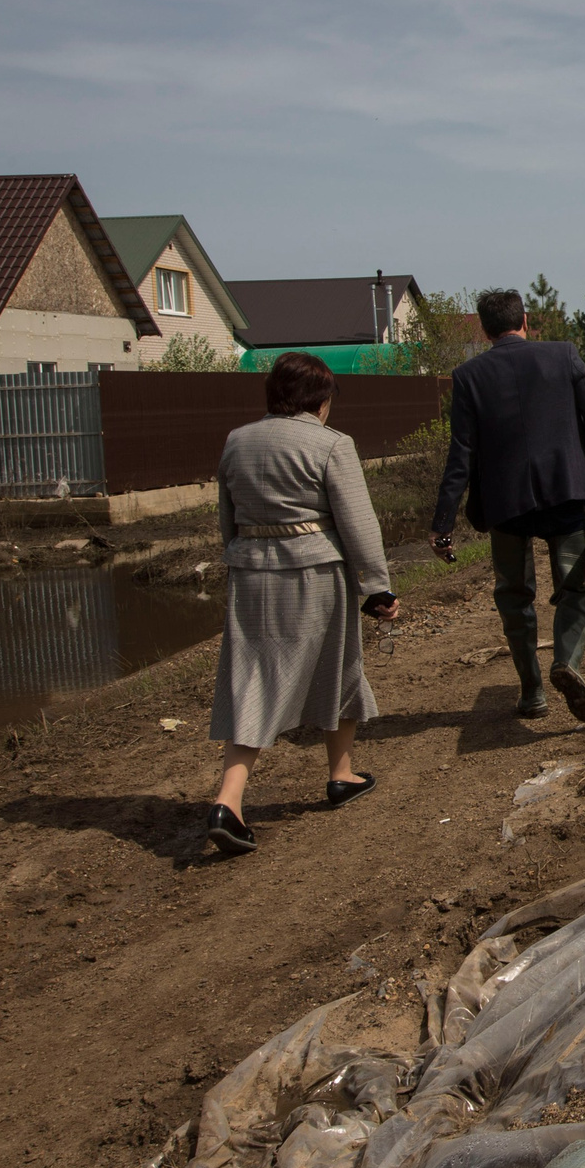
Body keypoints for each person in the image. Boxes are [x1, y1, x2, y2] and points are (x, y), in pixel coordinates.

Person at [206, 351, 400, 857]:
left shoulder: (237, 441)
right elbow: (358, 521)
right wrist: (377, 585)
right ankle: (319, 779)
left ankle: (254, 795)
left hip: (249, 574)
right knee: (339, 669)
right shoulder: (331, 444)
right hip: (313, 573)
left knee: (252, 678)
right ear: (319, 399)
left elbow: (226, 517)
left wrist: (240, 557)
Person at [431, 288, 585, 724]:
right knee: (576, 587)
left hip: (506, 504)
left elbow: (461, 455)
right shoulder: (564, 355)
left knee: (513, 596)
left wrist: (442, 524)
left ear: (485, 330)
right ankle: (567, 663)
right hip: (564, 491)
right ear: (525, 320)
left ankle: (532, 694)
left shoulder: (468, 375)